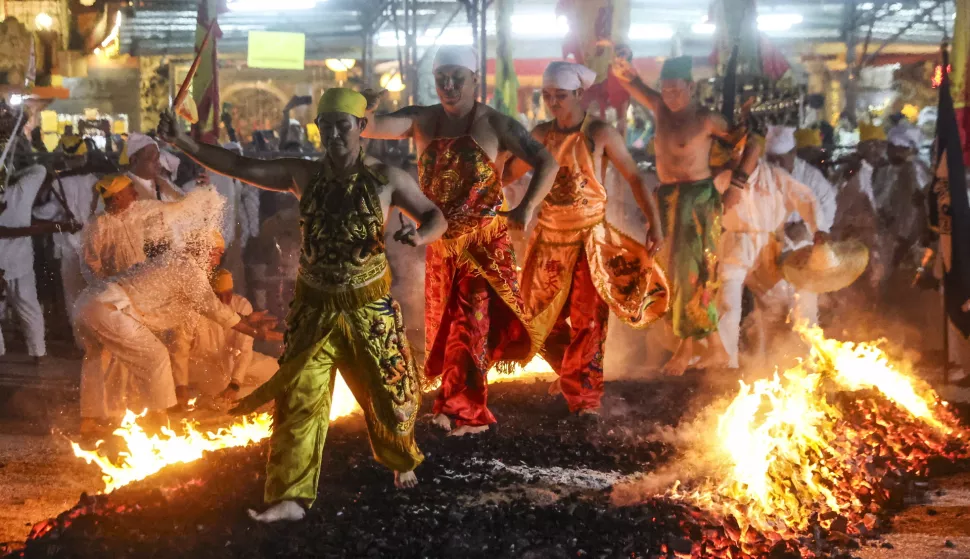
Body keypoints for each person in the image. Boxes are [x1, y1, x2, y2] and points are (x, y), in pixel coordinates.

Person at [158, 87, 448, 522]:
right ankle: (290, 498)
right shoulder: (303, 175)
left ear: (361, 128)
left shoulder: (388, 178)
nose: (333, 134)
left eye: (342, 126)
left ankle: (400, 459)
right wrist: (185, 144)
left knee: (391, 394)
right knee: (299, 398)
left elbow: (435, 215)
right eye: (326, 126)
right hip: (315, 309)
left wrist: (420, 236)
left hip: (369, 307)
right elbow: (238, 165)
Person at [360, 46, 557, 435]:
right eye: (441, 79)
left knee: (471, 324)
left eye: (457, 78)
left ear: (474, 80)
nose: (448, 86)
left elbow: (547, 162)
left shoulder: (496, 124)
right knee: (447, 327)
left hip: (483, 244)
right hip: (441, 242)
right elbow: (367, 127)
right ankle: (453, 404)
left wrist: (527, 207)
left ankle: (467, 412)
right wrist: (363, 105)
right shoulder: (420, 119)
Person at [507, 61, 668, 414]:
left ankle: (585, 400)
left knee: (588, 320)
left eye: (560, 96)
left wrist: (654, 223)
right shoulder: (539, 135)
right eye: (547, 96)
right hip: (548, 240)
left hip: (588, 241)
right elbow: (509, 172)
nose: (552, 102)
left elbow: (636, 179)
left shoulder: (601, 133)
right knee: (532, 318)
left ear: (579, 94)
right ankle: (572, 374)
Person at [611, 54, 743, 375]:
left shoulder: (707, 119)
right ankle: (716, 348)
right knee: (671, 274)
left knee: (691, 273)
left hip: (698, 200)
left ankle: (685, 350)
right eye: (666, 90)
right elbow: (632, 83)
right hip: (668, 199)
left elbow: (744, 142)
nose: (670, 96)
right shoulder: (659, 108)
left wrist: (735, 179)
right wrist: (622, 66)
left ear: (691, 86)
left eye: (677, 90)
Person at [75, 230, 278, 435]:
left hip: (88, 302)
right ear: (202, 248)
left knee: (98, 359)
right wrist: (255, 332)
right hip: (108, 308)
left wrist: (247, 322)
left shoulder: (176, 262)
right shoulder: (188, 269)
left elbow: (217, 310)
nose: (216, 261)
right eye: (215, 253)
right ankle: (159, 423)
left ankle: (90, 422)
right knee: (155, 356)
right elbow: (215, 310)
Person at [714, 134, 821, 369]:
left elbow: (806, 199)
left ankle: (804, 363)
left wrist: (818, 230)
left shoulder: (775, 176)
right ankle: (725, 363)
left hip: (771, 244)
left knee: (793, 299)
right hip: (737, 243)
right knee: (728, 300)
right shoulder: (722, 180)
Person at [765, 126, 837, 327]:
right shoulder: (761, 175)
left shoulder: (811, 178)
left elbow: (828, 209)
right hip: (770, 253)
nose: (777, 164)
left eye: (782, 158)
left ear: (793, 154)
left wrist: (808, 230)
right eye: (772, 159)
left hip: (803, 251)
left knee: (804, 309)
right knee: (771, 310)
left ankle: (803, 353)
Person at [188, 269, 277, 406]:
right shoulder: (198, 310)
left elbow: (245, 350)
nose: (224, 300)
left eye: (228, 294)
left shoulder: (241, 305)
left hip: (235, 359)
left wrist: (235, 382)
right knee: (220, 388)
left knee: (275, 370)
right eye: (218, 295)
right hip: (204, 365)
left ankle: (239, 394)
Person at [32, 169, 99, 344]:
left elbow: (41, 213)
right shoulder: (95, 182)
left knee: (74, 296)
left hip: (70, 250)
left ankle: (82, 342)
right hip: (94, 248)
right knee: (98, 294)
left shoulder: (60, 185)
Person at [0, 163, 51, 363]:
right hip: (19, 262)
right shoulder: (21, 189)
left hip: (16, 261)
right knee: (29, 307)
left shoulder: (20, 190)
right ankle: (38, 353)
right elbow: (40, 168)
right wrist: (13, 174)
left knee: (28, 307)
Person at [876, 123, 930, 270]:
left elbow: (913, 209)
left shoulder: (913, 170)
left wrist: (903, 240)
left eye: (895, 146)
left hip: (905, 241)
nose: (890, 150)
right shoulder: (887, 169)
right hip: (890, 236)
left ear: (907, 149)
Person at [81, 175, 148, 281]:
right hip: (119, 289)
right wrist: (107, 286)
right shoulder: (97, 225)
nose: (137, 195)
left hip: (143, 281)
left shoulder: (135, 216)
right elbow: (90, 264)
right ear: (117, 197)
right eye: (131, 193)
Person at [124, 132, 185, 202]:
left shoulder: (161, 182)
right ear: (134, 160)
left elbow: (181, 203)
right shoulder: (123, 189)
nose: (159, 163)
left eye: (158, 158)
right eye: (154, 159)